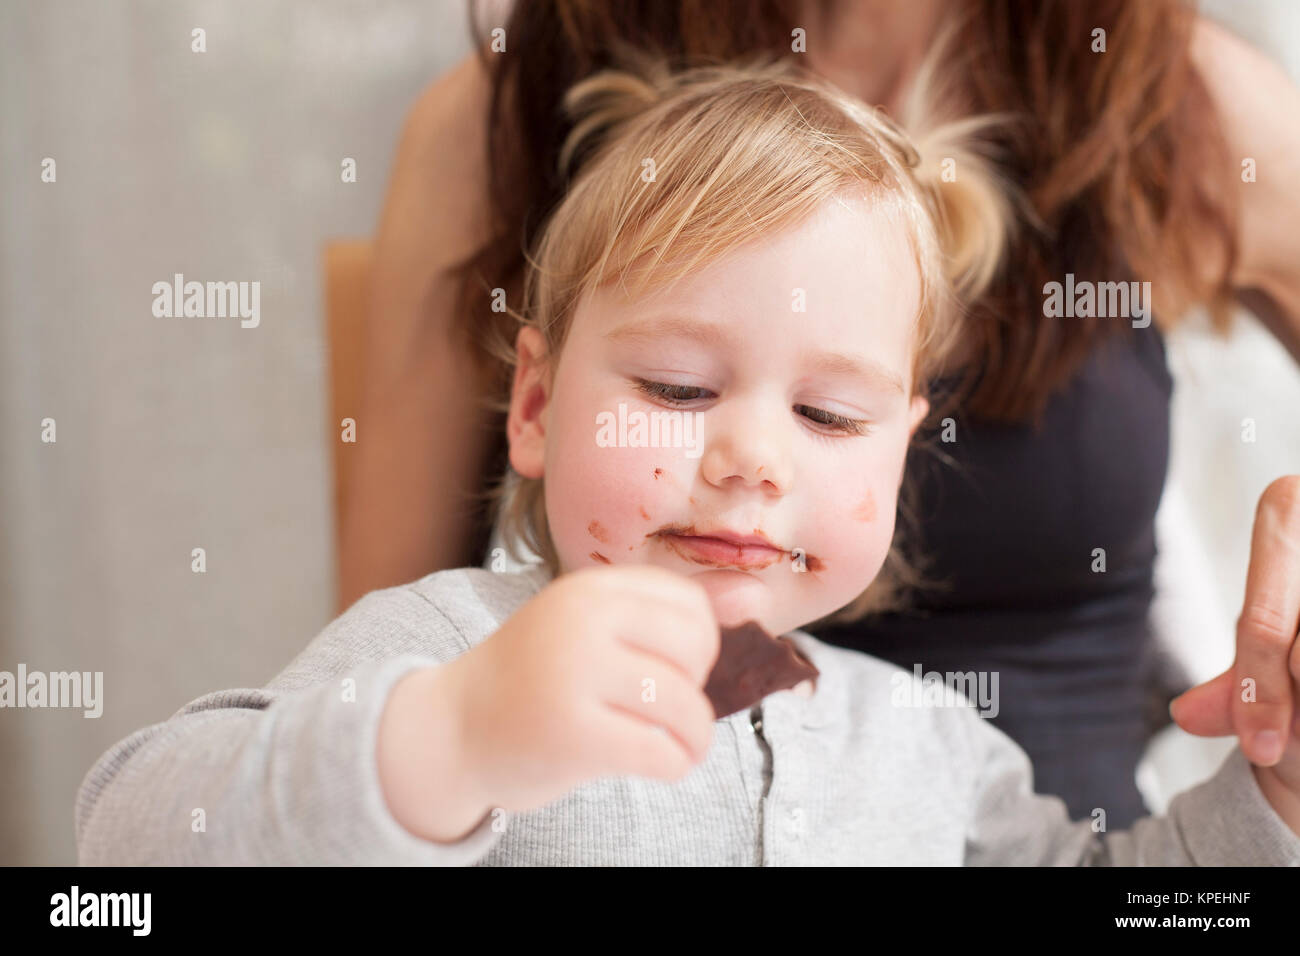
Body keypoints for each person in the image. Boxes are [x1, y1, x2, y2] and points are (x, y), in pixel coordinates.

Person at [77, 58, 1300, 866]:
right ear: (536, 404)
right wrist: (449, 742)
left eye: (828, 413)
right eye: (675, 388)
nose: (752, 457)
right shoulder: (453, 649)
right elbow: (128, 836)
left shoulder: (924, 743)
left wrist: (1275, 794)